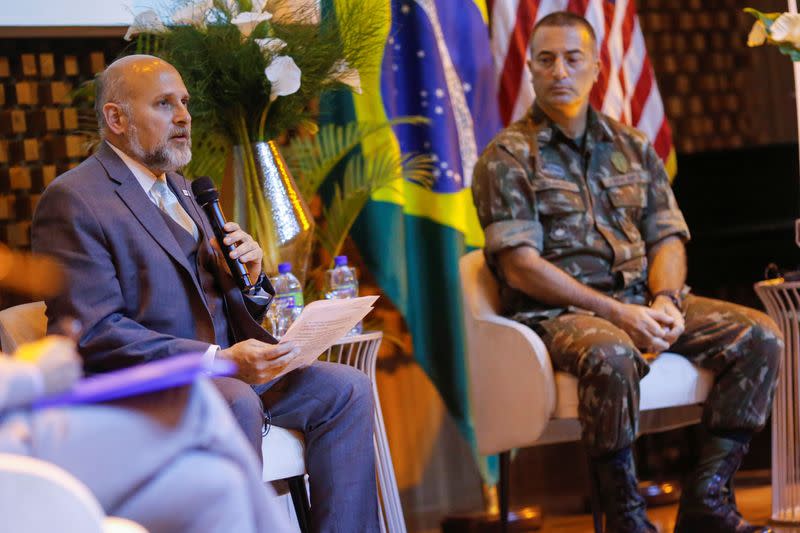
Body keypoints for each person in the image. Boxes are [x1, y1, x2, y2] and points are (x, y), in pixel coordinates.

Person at [32, 54, 379, 532]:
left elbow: (218, 301)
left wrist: (251, 277)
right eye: (163, 104)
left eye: (185, 103)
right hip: (149, 387)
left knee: (347, 389)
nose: (183, 116)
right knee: (235, 397)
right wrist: (220, 359)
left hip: (227, 373)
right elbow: (93, 333)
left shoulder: (181, 188)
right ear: (116, 118)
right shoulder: (75, 198)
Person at [471, 11, 781, 533]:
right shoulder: (506, 157)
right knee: (611, 353)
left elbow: (667, 237)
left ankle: (707, 500)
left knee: (761, 337)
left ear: (597, 65)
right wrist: (619, 313)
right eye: (545, 60)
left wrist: (662, 301)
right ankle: (625, 518)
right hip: (560, 314)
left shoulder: (634, 146)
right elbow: (520, 267)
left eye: (572, 58)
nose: (559, 71)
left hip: (642, 296)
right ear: (530, 69)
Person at [0, 335, 292, 533]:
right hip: (14, 441)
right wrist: (32, 374)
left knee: (217, 484)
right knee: (191, 399)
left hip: (19, 425)